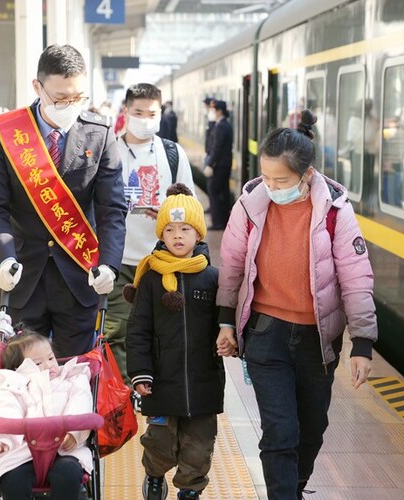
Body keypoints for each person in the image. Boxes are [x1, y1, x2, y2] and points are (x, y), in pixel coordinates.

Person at [215, 109, 377, 500]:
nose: (271, 186)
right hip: (266, 333)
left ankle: (295, 486)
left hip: (317, 340)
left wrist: (364, 343)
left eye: (281, 180)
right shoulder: (251, 203)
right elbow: (232, 265)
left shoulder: (336, 210)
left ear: (306, 175)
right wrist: (224, 322)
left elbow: (356, 276)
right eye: (266, 176)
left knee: (311, 429)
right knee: (280, 430)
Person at [0, 44, 127, 358]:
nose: (69, 106)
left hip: (79, 279)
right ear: (38, 87)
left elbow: (111, 208)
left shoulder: (99, 134)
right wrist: (3, 257)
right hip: (21, 279)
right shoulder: (5, 133)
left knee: (76, 379)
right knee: (22, 383)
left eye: (77, 98)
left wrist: (110, 265)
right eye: (60, 99)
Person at [125, 184, 224, 500]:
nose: (178, 236)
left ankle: (190, 490)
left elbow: (224, 325)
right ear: (161, 235)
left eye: (185, 229)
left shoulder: (212, 278)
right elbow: (138, 330)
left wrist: (231, 339)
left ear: (199, 235)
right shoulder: (151, 278)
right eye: (170, 230)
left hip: (203, 382)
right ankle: (155, 475)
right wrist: (140, 373)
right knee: (161, 445)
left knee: (199, 447)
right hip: (160, 381)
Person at [105, 83, 194, 385]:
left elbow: (189, 206)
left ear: (160, 113)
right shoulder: (109, 150)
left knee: (162, 330)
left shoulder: (172, 153)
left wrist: (169, 213)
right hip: (118, 260)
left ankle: (157, 394)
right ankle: (125, 397)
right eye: (138, 112)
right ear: (126, 113)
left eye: (151, 113)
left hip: (161, 260)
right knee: (117, 331)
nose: (145, 119)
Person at [0, 332, 93, 499]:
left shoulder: (73, 379)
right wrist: (3, 441)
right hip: (22, 453)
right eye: (38, 363)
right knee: (12, 480)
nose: (49, 366)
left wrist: (75, 433)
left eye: (51, 358)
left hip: (63, 449)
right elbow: (7, 411)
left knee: (68, 474)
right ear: (18, 368)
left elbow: (81, 404)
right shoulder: (13, 386)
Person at [204, 100, 233, 230]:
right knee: (222, 192)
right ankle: (224, 220)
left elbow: (217, 148)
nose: (211, 112)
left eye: (213, 110)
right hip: (224, 164)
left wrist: (210, 164)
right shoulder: (223, 124)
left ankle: (218, 222)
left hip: (219, 165)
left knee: (214, 190)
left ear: (219, 111)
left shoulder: (221, 126)